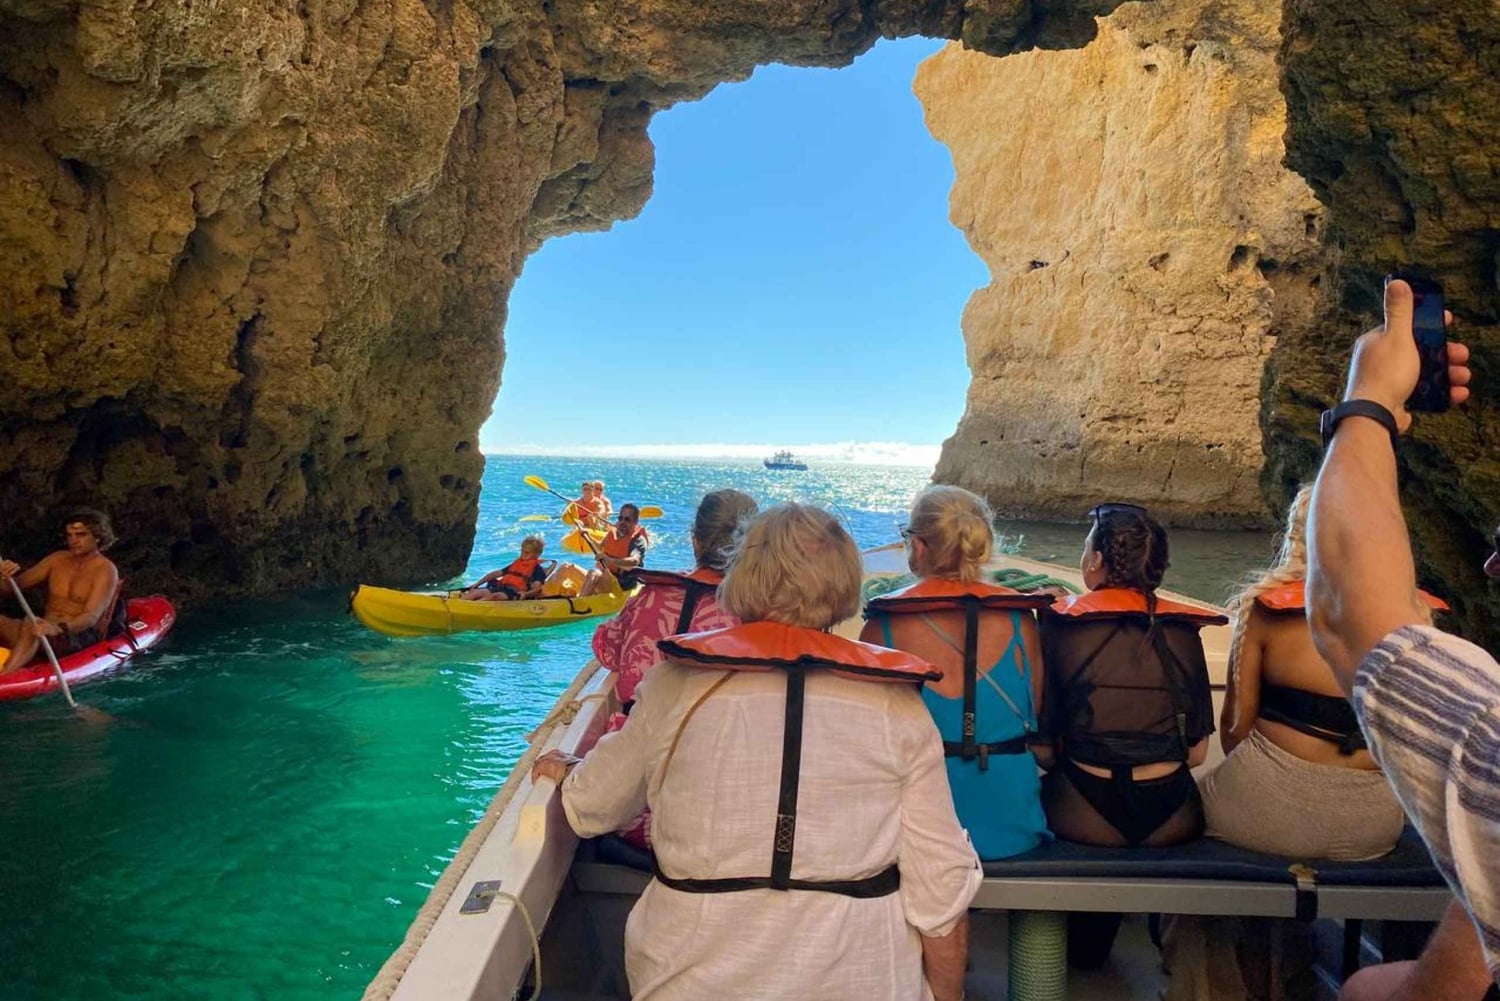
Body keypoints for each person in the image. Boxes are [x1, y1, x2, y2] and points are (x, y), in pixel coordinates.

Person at [532, 503, 981, 1001]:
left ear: (743, 575)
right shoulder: (895, 705)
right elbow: (940, 887)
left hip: (689, 983)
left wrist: (570, 772)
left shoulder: (675, 684)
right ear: (844, 582)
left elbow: (594, 807)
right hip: (864, 980)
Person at [1305, 277, 1497, 996]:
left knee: (1366, 988)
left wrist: (1370, 400)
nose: (1489, 566)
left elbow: (1350, 615)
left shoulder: (1490, 736)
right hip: (1376, 830)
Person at [1163, 487, 1409, 1001]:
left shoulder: (1266, 610)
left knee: (1189, 824)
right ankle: (1291, 977)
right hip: (1372, 824)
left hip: (1268, 808)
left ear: (1301, 534)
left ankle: (1212, 987)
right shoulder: (1411, 615)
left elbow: (1235, 731)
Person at [860, 485, 1053, 861]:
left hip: (921, 831)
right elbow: (1035, 713)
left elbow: (870, 739)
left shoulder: (883, 625)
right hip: (1014, 823)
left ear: (918, 547)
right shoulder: (1020, 620)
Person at [1034, 503, 1223, 849]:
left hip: (1081, 810)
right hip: (1173, 816)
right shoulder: (1184, 630)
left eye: (1086, 548)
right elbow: (1196, 755)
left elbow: (1042, 751)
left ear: (1096, 560)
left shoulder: (1059, 624)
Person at [593, 489, 758, 712]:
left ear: (695, 541)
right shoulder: (757, 611)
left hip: (641, 725)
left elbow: (607, 650)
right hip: (719, 728)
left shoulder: (650, 596)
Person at [0, 508, 121, 673]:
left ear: (98, 536)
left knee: (31, 622)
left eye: (81, 535)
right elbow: (11, 588)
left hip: (74, 636)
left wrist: (59, 628)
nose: (74, 541)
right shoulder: (56, 559)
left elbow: (91, 617)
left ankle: (6, 674)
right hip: (41, 632)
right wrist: (5, 574)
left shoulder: (105, 569)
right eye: (70, 535)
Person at [578, 503, 647, 597]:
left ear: (635, 522)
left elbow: (634, 561)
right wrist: (587, 536)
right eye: (620, 518)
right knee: (567, 568)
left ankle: (578, 602)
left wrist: (610, 560)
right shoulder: (613, 532)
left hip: (621, 585)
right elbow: (600, 547)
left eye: (627, 519)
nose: (622, 522)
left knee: (594, 573)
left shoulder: (638, 540)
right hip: (605, 577)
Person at [459, 535, 550, 601]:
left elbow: (537, 589)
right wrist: (477, 583)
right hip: (501, 588)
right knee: (477, 592)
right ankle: (460, 603)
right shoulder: (517, 564)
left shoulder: (537, 570)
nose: (523, 555)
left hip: (514, 593)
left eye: (527, 553)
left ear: (537, 554)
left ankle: (473, 607)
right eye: (522, 551)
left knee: (494, 596)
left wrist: (525, 594)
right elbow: (495, 574)